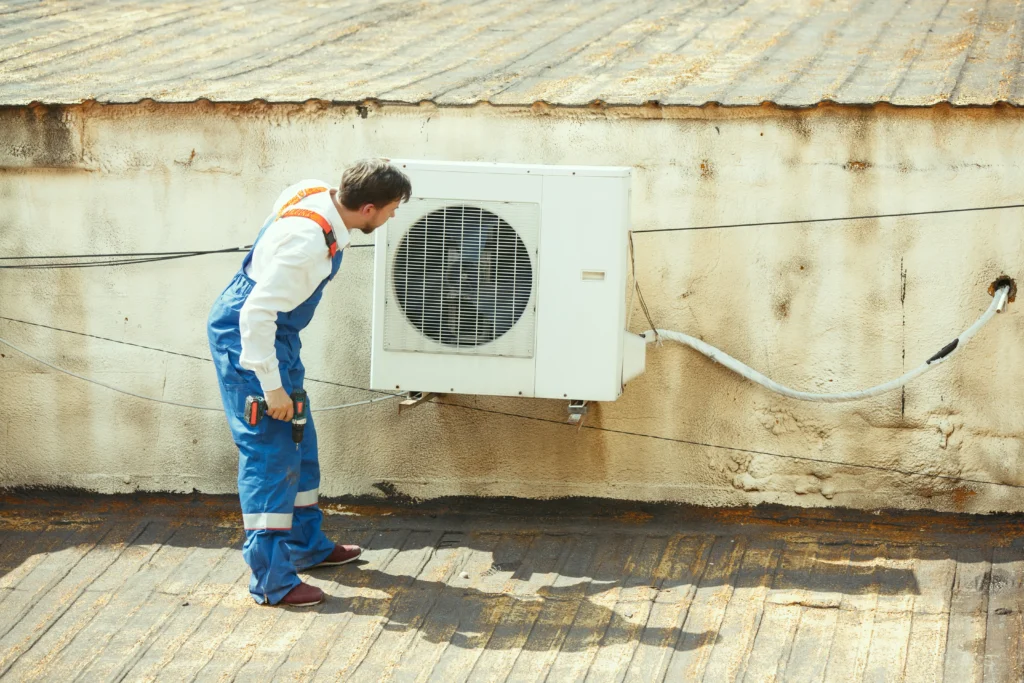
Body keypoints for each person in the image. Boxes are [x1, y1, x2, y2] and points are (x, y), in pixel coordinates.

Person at [207, 159, 412, 607]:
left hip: (278, 335)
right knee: (271, 452)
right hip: (251, 335)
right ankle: (272, 581)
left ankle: (305, 547)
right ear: (369, 208)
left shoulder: (315, 191)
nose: (394, 216)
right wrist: (272, 388)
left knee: (301, 442)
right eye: (393, 208)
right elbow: (254, 314)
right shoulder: (306, 246)